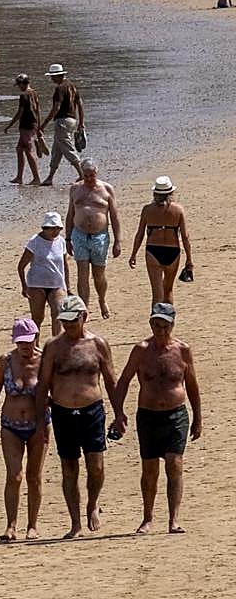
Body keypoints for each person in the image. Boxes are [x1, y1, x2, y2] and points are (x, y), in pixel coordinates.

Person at [113, 303, 202, 534]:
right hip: (148, 416)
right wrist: (118, 412)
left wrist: (198, 417)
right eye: (156, 325)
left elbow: (191, 384)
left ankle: (174, 519)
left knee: (175, 465)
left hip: (176, 415)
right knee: (150, 469)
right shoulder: (141, 350)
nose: (160, 330)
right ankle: (148, 517)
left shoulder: (183, 350)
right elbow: (124, 380)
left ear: (172, 325)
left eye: (164, 326)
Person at [36, 294, 120, 538]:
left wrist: (119, 414)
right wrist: (41, 418)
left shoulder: (97, 344)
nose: (69, 326)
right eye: (65, 322)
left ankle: (92, 504)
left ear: (84, 317)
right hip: (62, 412)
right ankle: (75, 522)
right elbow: (43, 384)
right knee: (69, 467)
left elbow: (111, 380)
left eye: (73, 321)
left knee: (96, 466)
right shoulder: (53, 346)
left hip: (91, 410)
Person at [0, 316, 50, 541]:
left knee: (34, 476)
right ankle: (10, 525)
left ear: (35, 338)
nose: (24, 346)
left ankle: (32, 525)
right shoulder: (5, 361)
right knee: (14, 475)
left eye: (28, 341)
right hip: (10, 425)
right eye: (20, 342)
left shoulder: (44, 360)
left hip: (38, 425)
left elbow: (55, 391)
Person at [65, 158, 120, 320]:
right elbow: (70, 214)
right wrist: (67, 238)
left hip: (100, 236)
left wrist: (118, 241)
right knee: (82, 273)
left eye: (92, 175)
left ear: (96, 173)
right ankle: (84, 308)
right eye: (86, 175)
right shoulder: (75, 189)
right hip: (79, 234)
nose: (89, 179)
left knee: (99, 274)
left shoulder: (106, 189)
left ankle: (102, 300)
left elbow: (115, 216)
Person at [128, 176, 192, 305]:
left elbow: (140, 234)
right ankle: (168, 322)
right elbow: (185, 236)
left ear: (155, 193)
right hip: (173, 251)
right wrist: (189, 258)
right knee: (168, 290)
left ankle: (156, 322)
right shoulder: (178, 210)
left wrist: (133, 254)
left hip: (153, 250)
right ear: (171, 193)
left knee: (157, 293)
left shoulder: (147, 210)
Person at [18, 212, 71, 332]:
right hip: (36, 285)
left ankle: (56, 346)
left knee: (58, 314)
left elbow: (65, 264)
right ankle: (34, 346)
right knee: (37, 318)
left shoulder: (61, 242)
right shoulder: (35, 241)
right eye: (52, 228)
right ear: (44, 228)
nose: (55, 231)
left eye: (58, 228)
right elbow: (21, 266)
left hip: (57, 284)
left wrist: (67, 286)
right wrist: (24, 286)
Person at [40, 63, 84, 185]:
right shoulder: (72, 86)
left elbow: (56, 107)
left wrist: (44, 123)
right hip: (72, 120)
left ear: (58, 76)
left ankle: (81, 174)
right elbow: (80, 104)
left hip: (62, 121)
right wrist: (81, 122)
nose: (52, 79)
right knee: (57, 150)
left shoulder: (60, 88)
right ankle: (50, 177)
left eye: (52, 76)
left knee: (67, 148)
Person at [4, 73, 42, 185]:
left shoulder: (24, 95)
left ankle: (36, 178)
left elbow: (20, 113)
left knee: (29, 151)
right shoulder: (34, 93)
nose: (19, 87)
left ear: (22, 83)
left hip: (26, 125)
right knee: (20, 149)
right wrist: (39, 125)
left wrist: (10, 125)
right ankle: (19, 177)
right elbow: (38, 109)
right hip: (33, 124)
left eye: (19, 84)